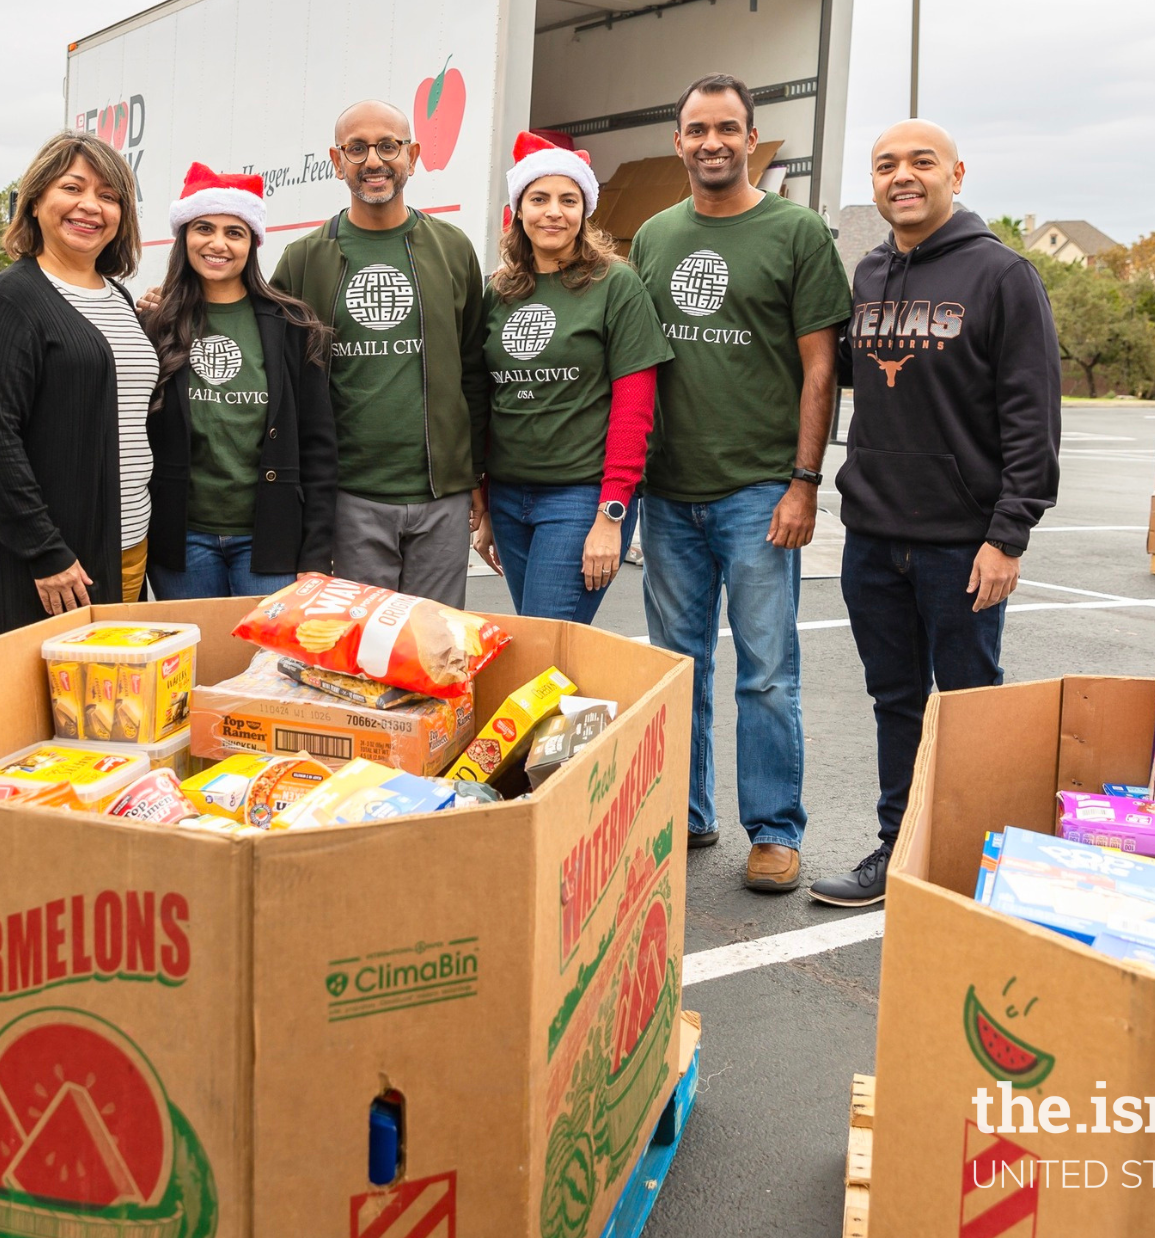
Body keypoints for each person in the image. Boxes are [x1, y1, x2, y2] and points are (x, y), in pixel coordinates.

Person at [808, 120, 1060, 908]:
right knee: (895, 704)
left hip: (962, 546)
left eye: (921, 162)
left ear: (956, 172)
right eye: (886, 166)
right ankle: (899, 847)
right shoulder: (869, 274)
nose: (902, 177)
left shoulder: (1002, 275)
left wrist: (1007, 535)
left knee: (971, 707)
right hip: (875, 539)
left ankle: (980, 860)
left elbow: (1032, 415)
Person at [630, 74, 851, 893]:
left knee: (766, 670)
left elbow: (820, 367)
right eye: (696, 129)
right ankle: (685, 812)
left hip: (760, 490)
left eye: (727, 128)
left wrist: (803, 482)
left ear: (751, 138)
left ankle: (774, 831)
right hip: (669, 492)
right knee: (676, 666)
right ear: (677, 141)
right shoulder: (653, 236)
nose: (711, 141)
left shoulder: (796, 233)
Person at [143, 100, 488, 607]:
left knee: (434, 645)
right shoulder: (305, 258)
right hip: (351, 498)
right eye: (357, 148)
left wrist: (477, 473)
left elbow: (474, 370)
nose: (374, 161)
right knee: (353, 652)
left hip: (442, 494)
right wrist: (162, 301)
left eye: (389, 146)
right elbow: (273, 356)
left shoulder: (452, 248)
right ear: (336, 160)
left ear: (412, 155)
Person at [0, 132, 159, 637]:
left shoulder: (118, 296)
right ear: (36, 200)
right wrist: (45, 551)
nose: (90, 207)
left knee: (113, 703)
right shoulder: (9, 300)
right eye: (73, 188)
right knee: (57, 708)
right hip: (59, 559)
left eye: (109, 196)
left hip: (130, 540)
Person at [470, 132, 672, 622]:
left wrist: (611, 516)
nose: (553, 212)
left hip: (579, 499)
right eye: (539, 199)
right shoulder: (498, 291)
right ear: (519, 209)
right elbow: (482, 399)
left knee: (545, 644)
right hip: (510, 499)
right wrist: (486, 501)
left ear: (585, 210)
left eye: (569, 199)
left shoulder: (614, 284)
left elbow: (634, 407)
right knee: (542, 644)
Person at [142, 163, 337, 598]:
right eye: (204, 228)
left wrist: (315, 556)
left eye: (235, 232)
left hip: (269, 539)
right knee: (197, 663)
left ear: (252, 244)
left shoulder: (292, 325)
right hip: (182, 539)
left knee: (269, 666)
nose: (218, 243)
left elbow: (319, 447)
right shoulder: (155, 326)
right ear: (184, 237)